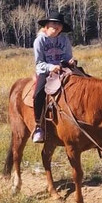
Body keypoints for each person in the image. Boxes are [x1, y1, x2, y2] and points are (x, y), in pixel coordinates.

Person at [32, 11, 76, 143]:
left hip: (64, 69)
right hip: (46, 71)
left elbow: (67, 56)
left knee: (86, 81)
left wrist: (71, 61)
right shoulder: (40, 40)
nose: (56, 26)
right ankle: (39, 126)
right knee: (38, 94)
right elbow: (39, 63)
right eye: (53, 23)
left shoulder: (64, 39)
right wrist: (51, 67)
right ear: (46, 25)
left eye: (59, 24)